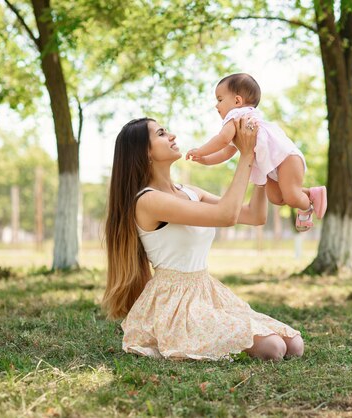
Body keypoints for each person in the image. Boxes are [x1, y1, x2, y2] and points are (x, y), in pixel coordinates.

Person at [103, 116, 304, 361]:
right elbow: (226, 215)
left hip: (207, 291)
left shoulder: (189, 192)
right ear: (145, 152)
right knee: (273, 349)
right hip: (175, 304)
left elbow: (254, 215)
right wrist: (246, 155)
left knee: (294, 344)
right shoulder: (148, 200)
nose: (172, 136)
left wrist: (261, 166)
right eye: (161, 134)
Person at [185, 73, 327, 232]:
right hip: (272, 166)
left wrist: (201, 150)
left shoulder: (237, 115)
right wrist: (205, 160)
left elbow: (222, 139)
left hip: (286, 158)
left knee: (291, 197)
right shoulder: (241, 126)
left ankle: (306, 207)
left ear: (237, 101)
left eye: (219, 100)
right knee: (276, 198)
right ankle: (310, 193)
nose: (216, 106)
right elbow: (226, 153)